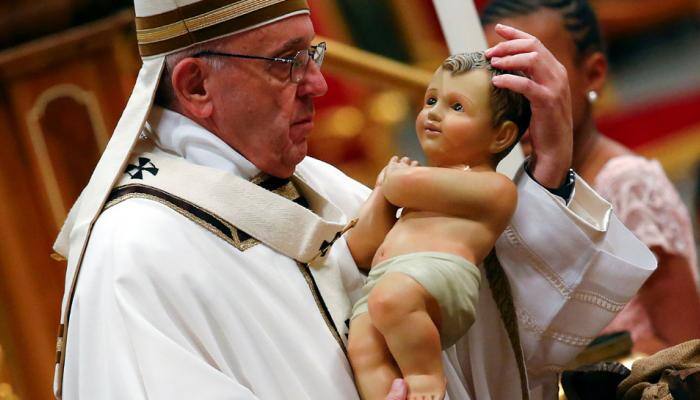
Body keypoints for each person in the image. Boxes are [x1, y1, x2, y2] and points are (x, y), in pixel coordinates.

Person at [52, 1, 655, 399]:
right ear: (196, 86)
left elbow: (480, 335)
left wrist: (544, 180)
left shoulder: (327, 186)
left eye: (313, 54)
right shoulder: (136, 255)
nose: (318, 84)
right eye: (287, 62)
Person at [482, 0, 700, 355]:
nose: (515, 99)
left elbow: (686, 350)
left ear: (593, 73)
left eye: (533, 74)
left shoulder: (627, 184)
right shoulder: (511, 184)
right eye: (500, 79)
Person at [346, 51, 529, 399]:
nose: (433, 111)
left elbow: (400, 186)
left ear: (501, 136)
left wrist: (392, 180)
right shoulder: (418, 186)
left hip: (436, 280)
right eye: (430, 99)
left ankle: (427, 380)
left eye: (456, 107)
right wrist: (380, 196)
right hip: (388, 283)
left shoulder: (494, 187)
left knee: (391, 299)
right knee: (362, 346)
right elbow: (361, 248)